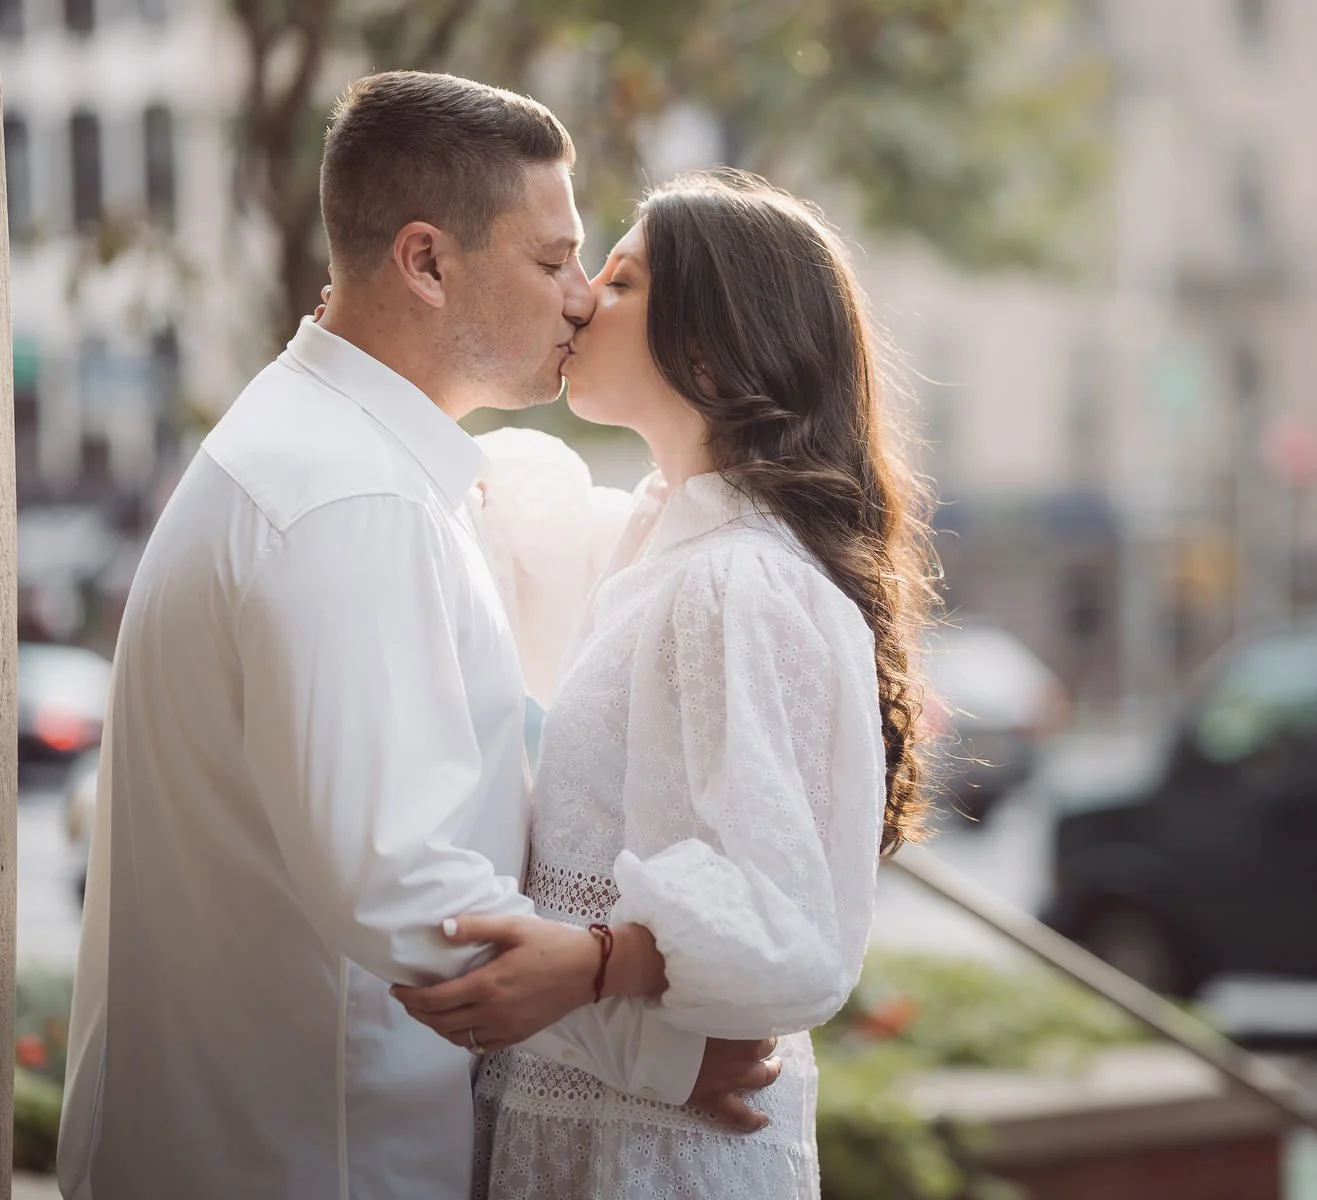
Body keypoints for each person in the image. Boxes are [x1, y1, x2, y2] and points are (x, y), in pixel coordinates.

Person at [58, 73, 773, 1200]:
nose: (581, 299)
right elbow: (405, 889)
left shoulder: (343, 459)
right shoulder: (350, 501)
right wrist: (661, 1051)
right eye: (552, 262)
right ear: (428, 262)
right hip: (309, 1162)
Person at [390, 170, 939, 1198]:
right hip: (603, 1122)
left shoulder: (741, 580)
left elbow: (791, 926)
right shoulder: (663, 542)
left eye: (624, 277)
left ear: (704, 346)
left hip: (656, 1157)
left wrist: (598, 960)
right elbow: (510, 530)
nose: (585, 295)